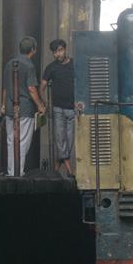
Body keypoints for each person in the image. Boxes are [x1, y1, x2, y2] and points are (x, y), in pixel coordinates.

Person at [1, 36, 46, 176]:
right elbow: (32, 89)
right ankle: (18, 172)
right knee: (22, 142)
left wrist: (3, 105)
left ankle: (11, 172)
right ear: (33, 50)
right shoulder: (29, 66)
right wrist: (40, 105)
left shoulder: (9, 64)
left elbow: (5, 88)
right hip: (25, 109)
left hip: (9, 109)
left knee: (11, 141)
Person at [41, 39, 79, 177]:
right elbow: (42, 86)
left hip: (72, 109)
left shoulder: (75, 64)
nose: (58, 54)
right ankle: (70, 171)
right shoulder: (51, 68)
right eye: (55, 52)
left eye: (60, 50)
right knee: (59, 140)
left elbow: (81, 83)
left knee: (69, 142)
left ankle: (56, 169)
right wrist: (43, 102)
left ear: (65, 49)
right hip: (57, 109)